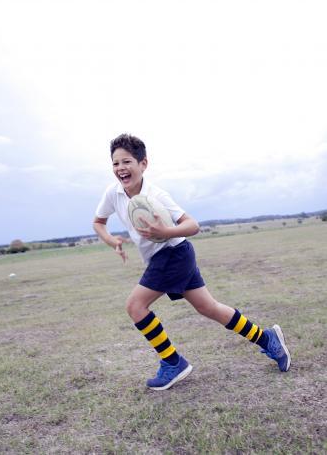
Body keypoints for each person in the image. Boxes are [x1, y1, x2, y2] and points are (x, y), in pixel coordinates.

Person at [93, 133, 291, 391]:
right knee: (210, 308)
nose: (120, 168)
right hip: (169, 256)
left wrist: (165, 232)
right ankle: (268, 340)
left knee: (135, 306)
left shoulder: (156, 194)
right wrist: (112, 241)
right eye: (115, 163)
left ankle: (172, 362)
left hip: (173, 253)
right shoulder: (114, 193)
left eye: (127, 162)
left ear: (143, 164)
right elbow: (98, 222)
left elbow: (192, 225)